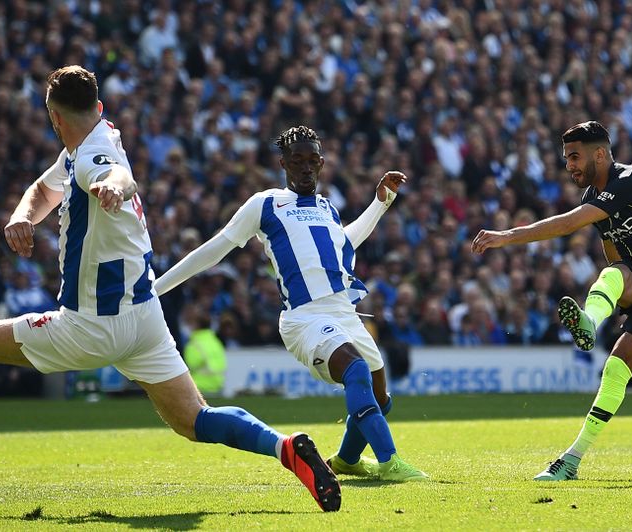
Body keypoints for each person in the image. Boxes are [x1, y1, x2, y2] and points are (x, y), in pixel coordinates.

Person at [0, 66, 340, 512]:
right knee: (194, 419)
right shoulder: (95, 136)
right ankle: (286, 448)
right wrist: (23, 217)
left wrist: (115, 187)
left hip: (92, 324)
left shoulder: (95, 156)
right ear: (95, 107)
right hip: (144, 319)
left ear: (54, 118)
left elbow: (115, 174)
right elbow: (47, 185)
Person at [154, 126, 429, 482]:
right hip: (305, 318)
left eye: (312, 160)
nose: (305, 167)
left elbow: (346, 243)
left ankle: (346, 460)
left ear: (321, 164)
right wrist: (156, 287)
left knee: (380, 395)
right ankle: (390, 461)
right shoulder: (265, 204)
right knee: (356, 370)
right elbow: (215, 248)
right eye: (296, 160)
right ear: (283, 164)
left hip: (344, 312)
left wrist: (380, 203)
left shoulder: (327, 207)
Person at [472, 121, 632, 480]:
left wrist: (507, 236)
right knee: (612, 297)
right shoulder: (594, 197)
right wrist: (618, 297)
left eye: (575, 157)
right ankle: (588, 327)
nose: (570, 166)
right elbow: (612, 253)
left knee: (615, 354)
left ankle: (588, 327)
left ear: (600, 153)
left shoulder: (629, 180)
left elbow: (568, 225)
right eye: (566, 159)